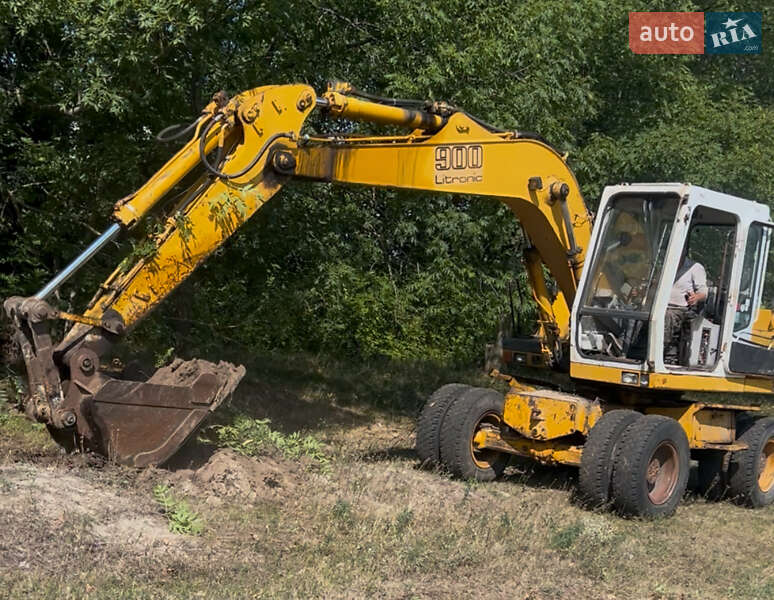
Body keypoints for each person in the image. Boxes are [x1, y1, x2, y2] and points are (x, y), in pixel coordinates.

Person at [664, 252, 708, 364]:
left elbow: (704, 293)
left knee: (668, 316)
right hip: (661, 306)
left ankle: (661, 351)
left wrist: (696, 297)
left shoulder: (695, 267)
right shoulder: (664, 265)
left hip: (681, 309)